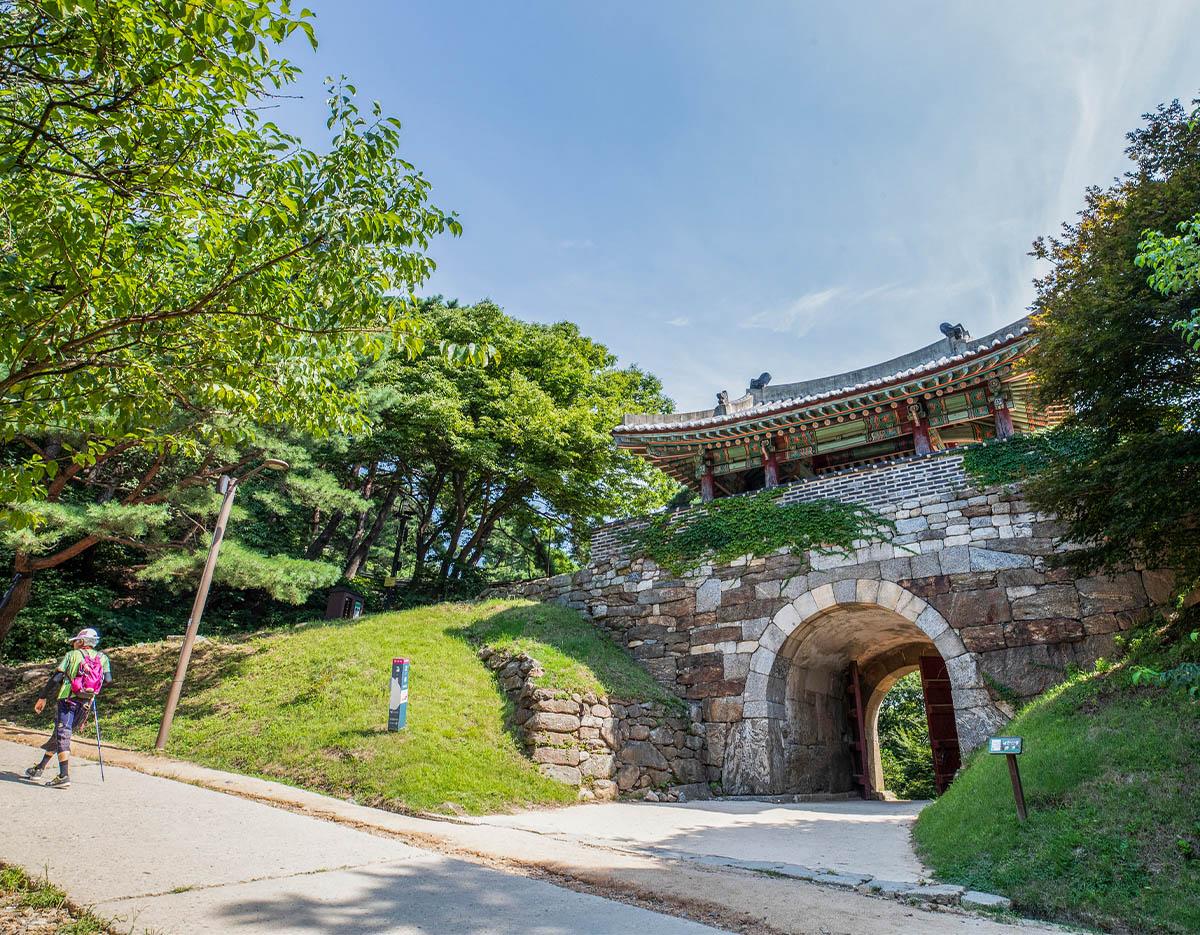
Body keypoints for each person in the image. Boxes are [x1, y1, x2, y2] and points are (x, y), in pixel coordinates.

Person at [24, 628, 112, 789]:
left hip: (67, 700)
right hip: (86, 703)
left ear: (81, 642)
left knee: (63, 735)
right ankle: (39, 769)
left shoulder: (72, 656)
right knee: (59, 734)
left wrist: (42, 697)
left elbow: (56, 678)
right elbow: (108, 679)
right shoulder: (103, 657)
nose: (74, 643)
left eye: (76, 640)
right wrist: (90, 688)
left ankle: (63, 776)